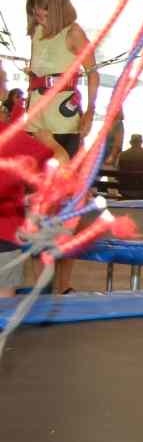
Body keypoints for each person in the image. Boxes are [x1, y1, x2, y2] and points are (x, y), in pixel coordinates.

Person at [25, 0, 97, 294]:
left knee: (67, 207)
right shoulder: (36, 34)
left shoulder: (73, 33)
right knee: (39, 206)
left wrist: (91, 110)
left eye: (42, 11)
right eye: (34, 12)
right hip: (37, 126)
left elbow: (93, 72)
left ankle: (63, 284)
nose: (38, 17)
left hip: (64, 127)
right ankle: (42, 281)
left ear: (55, 8)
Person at [0, 63, 53, 298]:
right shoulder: (11, 138)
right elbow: (58, 169)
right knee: (3, 306)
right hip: (3, 236)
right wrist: (52, 142)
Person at [116, 134, 143, 199]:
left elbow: (117, 171)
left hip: (125, 190)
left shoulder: (121, 155)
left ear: (130, 142)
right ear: (141, 142)